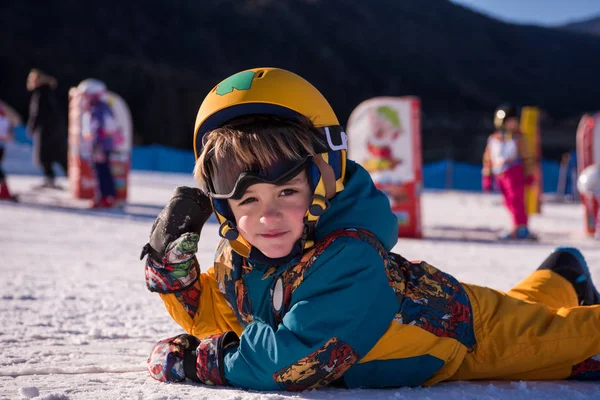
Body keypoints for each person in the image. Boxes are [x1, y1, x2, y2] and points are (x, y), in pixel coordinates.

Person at [141, 68, 600, 391]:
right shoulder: (242, 257)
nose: (269, 217)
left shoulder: (349, 256)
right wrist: (173, 271)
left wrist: (201, 362)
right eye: (248, 200)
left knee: (572, 343)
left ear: (322, 182)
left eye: (287, 193)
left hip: (466, 340)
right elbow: (219, 317)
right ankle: (564, 276)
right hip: (441, 322)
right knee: (527, 309)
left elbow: (292, 361)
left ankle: (563, 280)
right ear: (222, 206)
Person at [482, 104, 536, 240]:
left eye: (514, 122)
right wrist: (487, 175)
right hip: (500, 174)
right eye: (510, 122)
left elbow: (527, 157)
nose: (513, 124)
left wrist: (529, 174)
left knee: (516, 200)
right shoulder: (494, 139)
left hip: (514, 173)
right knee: (508, 202)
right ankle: (518, 226)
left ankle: (520, 227)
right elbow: (488, 158)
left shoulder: (518, 138)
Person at [77, 79, 118, 208]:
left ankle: (104, 197)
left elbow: (97, 128)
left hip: (99, 146)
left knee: (101, 172)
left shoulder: (97, 108)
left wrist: (97, 147)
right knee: (103, 171)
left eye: (85, 95)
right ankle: (107, 196)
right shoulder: (100, 107)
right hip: (100, 145)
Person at [26, 68, 68, 189]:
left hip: (46, 130)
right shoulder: (51, 91)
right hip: (57, 129)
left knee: (45, 156)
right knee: (59, 156)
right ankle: (72, 177)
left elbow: (37, 113)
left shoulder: (40, 93)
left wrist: (32, 127)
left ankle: (50, 179)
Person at [0, 102, 15, 200]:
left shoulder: (3, 118)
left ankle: (5, 190)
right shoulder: (5, 117)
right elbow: (9, 134)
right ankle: (4, 189)